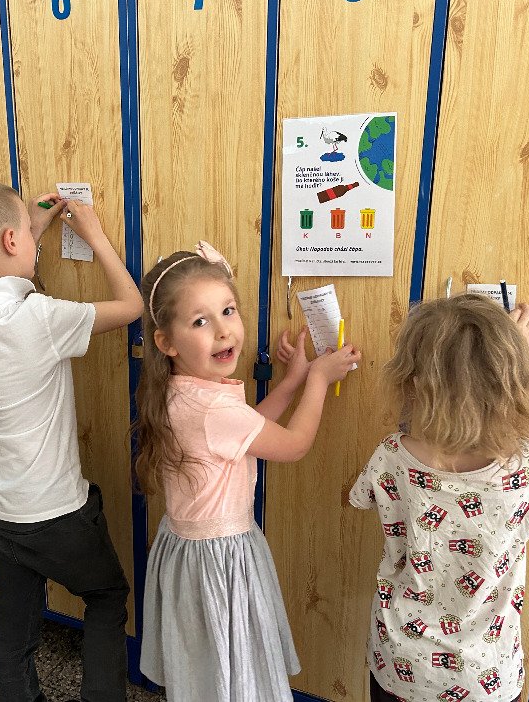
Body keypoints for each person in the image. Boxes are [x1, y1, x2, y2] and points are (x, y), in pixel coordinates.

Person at [0, 180, 142, 702]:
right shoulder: (41, 317)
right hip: (55, 514)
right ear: (11, 240)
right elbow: (131, 305)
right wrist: (95, 236)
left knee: (16, 619)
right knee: (106, 596)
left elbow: (3, 277)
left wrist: (30, 226)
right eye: (26, 235)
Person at [134, 242, 361, 701]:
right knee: (234, 670)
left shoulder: (184, 389)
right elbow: (292, 444)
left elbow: (246, 432)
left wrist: (292, 381)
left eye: (228, 311)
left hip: (190, 554)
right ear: (166, 342)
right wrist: (318, 380)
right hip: (220, 561)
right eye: (200, 321)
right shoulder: (212, 407)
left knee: (209, 667)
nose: (223, 331)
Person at [350, 294, 529, 702]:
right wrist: (524, 358)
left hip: (400, 664)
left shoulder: (391, 456)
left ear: (412, 383)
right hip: (485, 675)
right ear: (510, 384)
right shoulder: (528, 469)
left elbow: (361, 496)